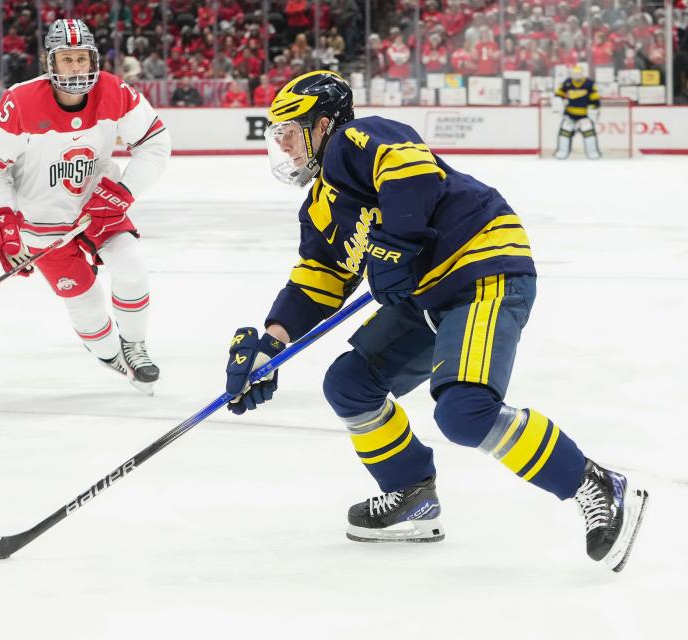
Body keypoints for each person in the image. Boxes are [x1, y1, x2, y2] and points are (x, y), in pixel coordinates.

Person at [223, 71, 648, 572]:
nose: (287, 148)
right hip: (429, 296)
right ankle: (411, 494)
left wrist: (395, 243)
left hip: (480, 267)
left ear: (322, 125)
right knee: (350, 382)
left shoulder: (354, 141)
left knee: (464, 411)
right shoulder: (319, 208)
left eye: (291, 134)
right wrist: (270, 347)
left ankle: (595, 484)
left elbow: (409, 169)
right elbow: (317, 279)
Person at [0, 18, 171, 392]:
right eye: (67, 59)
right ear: (51, 63)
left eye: (82, 58)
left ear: (94, 59)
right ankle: (109, 353)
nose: (77, 67)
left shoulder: (115, 91)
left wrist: (122, 191)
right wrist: (2, 220)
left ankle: (134, 345)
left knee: (131, 264)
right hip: (42, 226)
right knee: (87, 303)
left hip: (100, 212)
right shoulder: (20, 101)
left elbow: (155, 143)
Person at [554, 65, 602, 159]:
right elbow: (558, 95)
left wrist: (593, 113)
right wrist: (559, 107)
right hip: (569, 115)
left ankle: (593, 153)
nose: (577, 77)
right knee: (564, 133)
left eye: (579, 74)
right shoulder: (567, 83)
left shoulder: (589, 84)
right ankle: (562, 152)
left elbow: (595, 100)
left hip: (584, 116)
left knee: (589, 134)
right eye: (575, 74)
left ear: (582, 74)